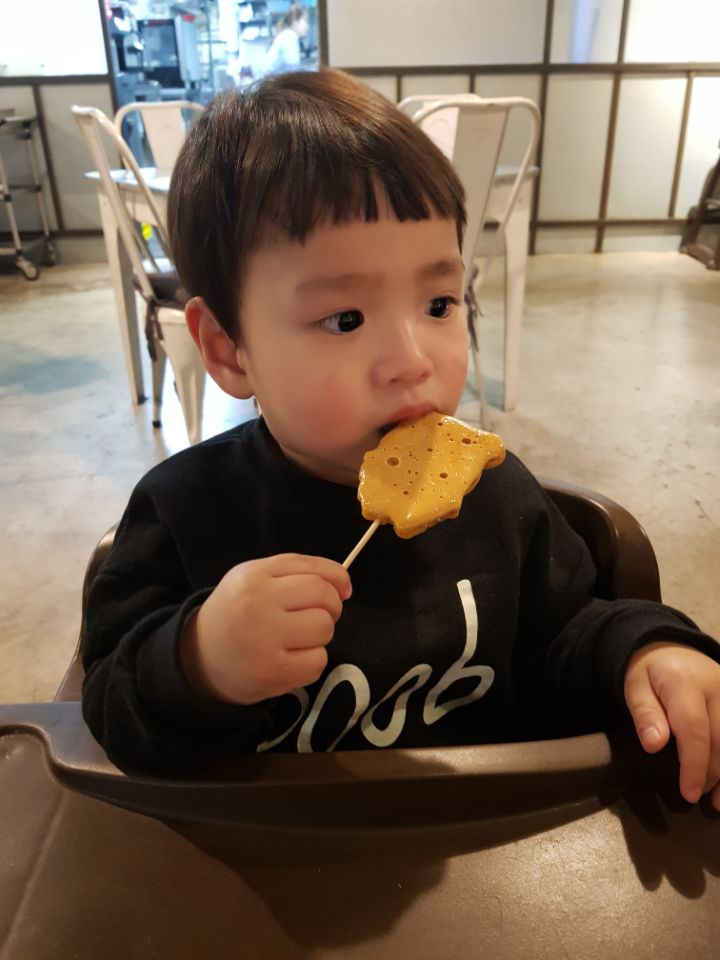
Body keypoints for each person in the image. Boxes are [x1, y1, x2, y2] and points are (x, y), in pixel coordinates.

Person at [82, 69, 720, 810]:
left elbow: (572, 632)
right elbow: (109, 710)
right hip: (270, 845)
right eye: (345, 319)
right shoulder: (182, 511)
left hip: (484, 838)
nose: (413, 361)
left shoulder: (496, 496)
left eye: (439, 303)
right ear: (228, 350)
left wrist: (648, 653)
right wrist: (198, 663)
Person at [262, 4, 309, 76]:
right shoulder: (289, 37)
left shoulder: (288, 35)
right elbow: (292, 71)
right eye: (305, 21)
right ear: (295, 21)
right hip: (269, 80)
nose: (307, 26)